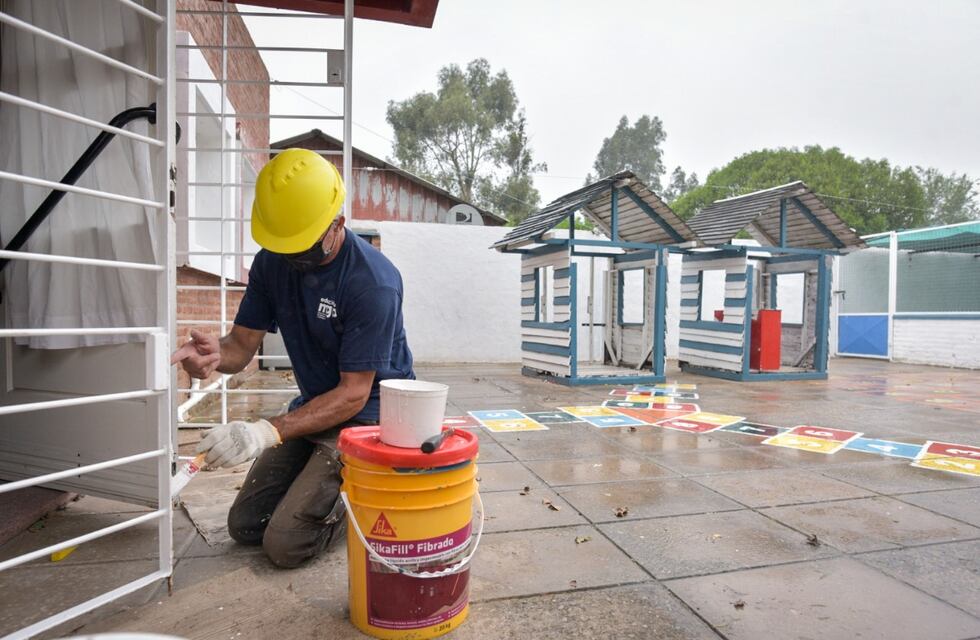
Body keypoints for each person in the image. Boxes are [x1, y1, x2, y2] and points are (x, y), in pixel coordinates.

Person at [171, 148, 415, 568]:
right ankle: (318, 484)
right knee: (246, 526)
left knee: (286, 545)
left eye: (302, 249)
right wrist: (214, 357)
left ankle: (378, 501)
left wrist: (267, 431)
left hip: (368, 421)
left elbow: (354, 395)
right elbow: (241, 345)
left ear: (337, 224)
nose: (293, 261)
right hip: (315, 409)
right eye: (284, 248)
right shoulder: (274, 262)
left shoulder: (373, 283)